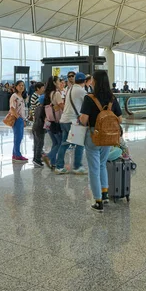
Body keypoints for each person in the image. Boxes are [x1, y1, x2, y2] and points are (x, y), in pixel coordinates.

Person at [79, 70, 122, 212]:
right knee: (102, 164)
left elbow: (84, 120)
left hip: (93, 137)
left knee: (94, 169)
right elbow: (119, 119)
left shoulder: (89, 98)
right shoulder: (112, 99)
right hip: (108, 138)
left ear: (95, 82)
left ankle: (98, 201)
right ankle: (105, 195)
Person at [55, 73, 88, 175]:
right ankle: (77, 166)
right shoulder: (81, 91)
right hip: (73, 122)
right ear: (85, 81)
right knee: (79, 143)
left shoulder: (71, 89)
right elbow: (88, 103)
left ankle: (59, 167)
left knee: (64, 144)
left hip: (64, 120)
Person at [43, 76, 64, 169]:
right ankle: (48, 156)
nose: (60, 83)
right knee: (60, 143)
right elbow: (61, 106)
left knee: (55, 143)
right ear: (55, 83)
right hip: (56, 121)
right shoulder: (56, 94)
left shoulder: (47, 94)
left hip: (48, 121)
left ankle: (53, 163)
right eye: (59, 81)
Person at [10, 80, 28, 162]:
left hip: (21, 119)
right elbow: (12, 108)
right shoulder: (14, 96)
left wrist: (23, 119)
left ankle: (15, 154)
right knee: (18, 137)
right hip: (17, 119)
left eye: (23, 85)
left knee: (19, 137)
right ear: (16, 87)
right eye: (20, 85)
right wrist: (19, 118)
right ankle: (17, 155)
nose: (21, 87)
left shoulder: (21, 97)